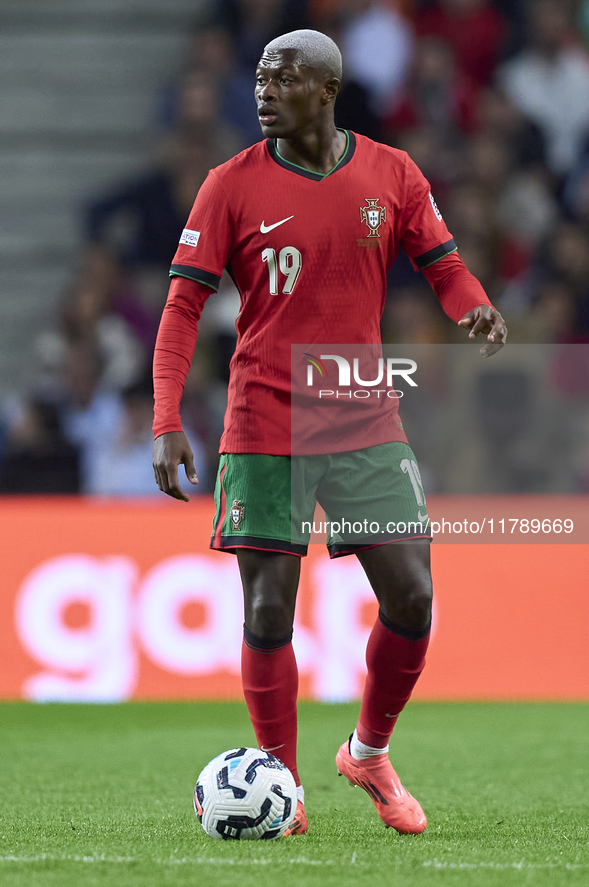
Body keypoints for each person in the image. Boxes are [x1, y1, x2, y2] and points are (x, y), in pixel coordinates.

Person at [152, 29, 507, 836]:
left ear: (326, 89)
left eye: (282, 77)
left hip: (360, 416)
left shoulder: (391, 173)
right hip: (262, 420)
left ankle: (368, 752)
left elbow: (444, 265)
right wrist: (167, 417)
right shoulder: (228, 185)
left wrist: (472, 305)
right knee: (269, 610)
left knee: (412, 596)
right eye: (259, 76)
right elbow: (180, 308)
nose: (264, 90)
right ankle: (283, 786)